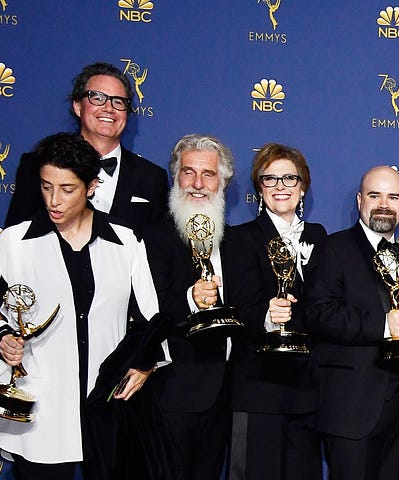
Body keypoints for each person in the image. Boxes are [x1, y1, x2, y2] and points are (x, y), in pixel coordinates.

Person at [0, 132, 166, 479]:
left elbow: (150, 319)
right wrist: (3, 339)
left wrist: (145, 365)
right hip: (41, 410)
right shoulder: (13, 244)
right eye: (46, 187)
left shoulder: (126, 243)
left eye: (67, 189)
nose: (54, 200)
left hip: (107, 411)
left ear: (91, 186)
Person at [303, 166, 399, 480]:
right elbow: (319, 314)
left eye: (393, 196)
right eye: (375, 195)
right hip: (350, 410)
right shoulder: (333, 248)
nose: (384, 204)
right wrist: (383, 326)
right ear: (360, 200)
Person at [220, 143, 326, 480]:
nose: (281, 187)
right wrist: (268, 316)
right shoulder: (239, 238)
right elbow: (237, 308)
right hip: (258, 385)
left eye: (289, 179)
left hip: (307, 388)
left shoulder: (319, 236)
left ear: (303, 186)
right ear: (259, 189)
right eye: (270, 179)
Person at [142, 134, 239, 480]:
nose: (198, 184)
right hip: (174, 392)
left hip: (226, 396)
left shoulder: (234, 239)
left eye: (208, 174)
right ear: (175, 176)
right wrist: (190, 299)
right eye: (188, 172)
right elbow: (147, 308)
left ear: (223, 182)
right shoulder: (154, 236)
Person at [6, 62, 168, 230]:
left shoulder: (152, 178)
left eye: (118, 102)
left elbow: (158, 250)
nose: (108, 108)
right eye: (97, 98)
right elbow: (14, 240)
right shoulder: (36, 165)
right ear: (77, 106)